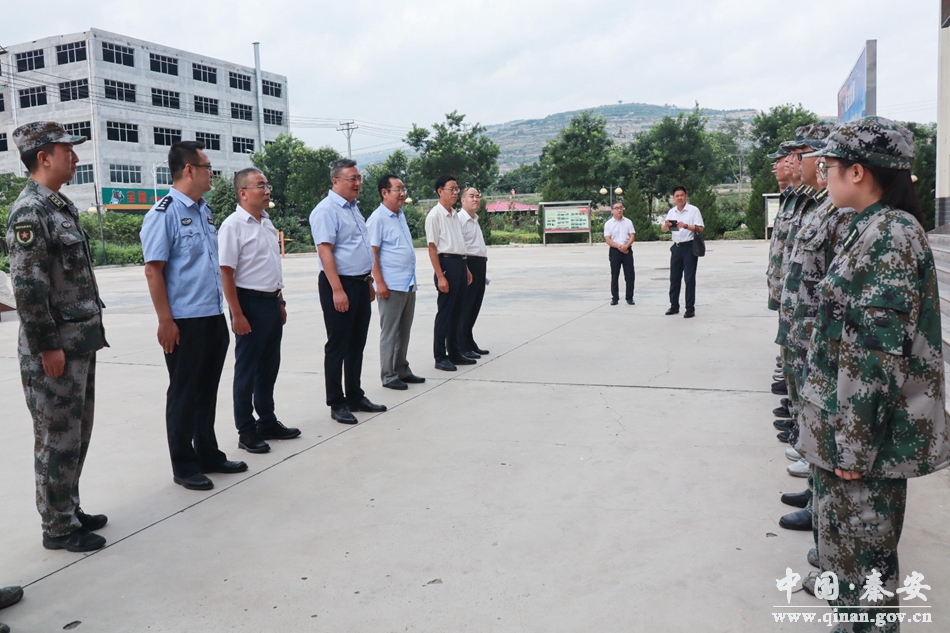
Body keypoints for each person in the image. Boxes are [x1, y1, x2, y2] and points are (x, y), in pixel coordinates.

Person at [795, 117, 950, 630]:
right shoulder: (871, 226)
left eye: (829, 166)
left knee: (866, 574)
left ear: (858, 171)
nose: (823, 174)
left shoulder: (890, 235)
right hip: (847, 437)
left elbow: (876, 357)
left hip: (863, 446)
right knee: (849, 565)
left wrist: (853, 447)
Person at [6, 121, 108, 552]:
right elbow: (28, 290)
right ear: (43, 157)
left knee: (76, 435)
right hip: (55, 349)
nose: (76, 158)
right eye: (68, 151)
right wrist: (48, 346)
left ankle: (68, 507)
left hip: (78, 343)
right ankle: (57, 527)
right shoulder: (30, 212)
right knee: (56, 439)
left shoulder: (58, 206)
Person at [141, 141, 247, 491]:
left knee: (206, 390)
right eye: (207, 167)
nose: (211, 173)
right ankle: (184, 465)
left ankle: (208, 453)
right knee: (184, 393)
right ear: (189, 170)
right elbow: (154, 270)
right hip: (184, 320)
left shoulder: (204, 210)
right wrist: (165, 321)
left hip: (211, 314)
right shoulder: (164, 213)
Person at [218, 168, 300, 454]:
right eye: (260, 186)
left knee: (269, 366)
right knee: (247, 370)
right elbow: (226, 273)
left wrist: (280, 301)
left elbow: (271, 265)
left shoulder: (266, 221)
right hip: (248, 304)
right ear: (243, 193)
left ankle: (267, 420)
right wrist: (237, 313)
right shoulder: (233, 226)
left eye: (267, 186)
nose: (267, 191)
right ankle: (246, 430)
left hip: (271, 302)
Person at [309, 159, 387, 424]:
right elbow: (325, 251)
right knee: (338, 345)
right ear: (335, 181)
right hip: (339, 284)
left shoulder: (353, 208)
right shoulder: (326, 210)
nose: (357, 183)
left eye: (358, 178)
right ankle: (336, 402)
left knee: (356, 343)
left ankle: (355, 395)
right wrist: (337, 290)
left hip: (360, 283)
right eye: (351, 179)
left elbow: (359, 246)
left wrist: (368, 281)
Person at [367, 174, 425, 390]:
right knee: (390, 331)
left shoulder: (399, 215)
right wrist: (379, 282)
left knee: (404, 330)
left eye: (403, 189)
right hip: (390, 284)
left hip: (407, 282)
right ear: (385, 193)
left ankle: (401, 368)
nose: (402, 193)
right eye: (398, 189)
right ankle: (388, 374)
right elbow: (372, 252)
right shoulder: (377, 219)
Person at [425, 175, 473, 371]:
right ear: (440, 191)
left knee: (457, 311)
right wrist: (440, 276)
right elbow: (432, 248)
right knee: (445, 312)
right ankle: (440, 356)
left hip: (459, 263)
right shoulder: (434, 216)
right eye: (451, 189)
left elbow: (459, 243)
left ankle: (454, 352)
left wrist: (466, 268)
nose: (455, 192)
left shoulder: (455, 215)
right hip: (446, 264)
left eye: (456, 189)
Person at [457, 187, 490, 356]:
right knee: (466, 306)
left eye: (477, 196)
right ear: (463, 200)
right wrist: (465, 269)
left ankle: (469, 340)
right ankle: (462, 345)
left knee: (475, 305)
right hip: (468, 264)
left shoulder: (475, 219)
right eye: (471, 196)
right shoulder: (460, 219)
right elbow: (459, 247)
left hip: (479, 264)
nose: (476, 199)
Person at [661, 186, 703, 318]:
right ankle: (674, 306)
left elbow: (700, 228)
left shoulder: (693, 210)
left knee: (689, 278)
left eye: (682, 195)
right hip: (676, 247)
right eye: (677, 196)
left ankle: (690, 308)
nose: (679, 198)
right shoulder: (672, 212)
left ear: (686, 196)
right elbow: (664, 230)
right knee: (674, 278)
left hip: (689, 247)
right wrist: (666, 225)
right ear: (673, 198)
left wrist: (685, 225)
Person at [603, 201, 636, 306]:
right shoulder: (608, 224)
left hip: (627, 250)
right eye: (616, 208)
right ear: (612, 210)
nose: (619, 210)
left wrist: (626, 246)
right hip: (615, 251)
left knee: (630, 275)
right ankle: (615, 298)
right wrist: (619, 247)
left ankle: (629, 297)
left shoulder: (628, 222)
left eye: (621, 208)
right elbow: (608, 239)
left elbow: (632, 236)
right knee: (615, 275)